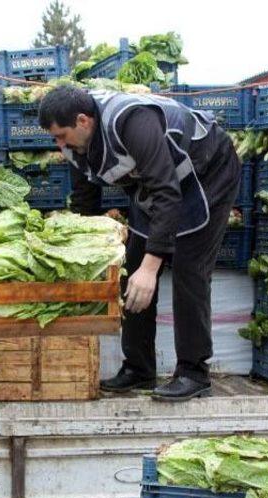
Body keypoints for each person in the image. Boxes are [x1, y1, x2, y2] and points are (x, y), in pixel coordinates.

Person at [38, 86, 241, 401]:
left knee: (189, 267)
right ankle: (139, 368)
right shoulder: (72, 145)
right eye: (55, 138)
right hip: (157, 186)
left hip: (207, 173)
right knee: (131, 265)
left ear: (83, 120)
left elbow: (167, 192)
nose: (59, 144)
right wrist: (85, 249)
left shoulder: (131, 120)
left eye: (62, 135)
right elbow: (85, 199)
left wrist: (152, 266)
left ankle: (193, 372)